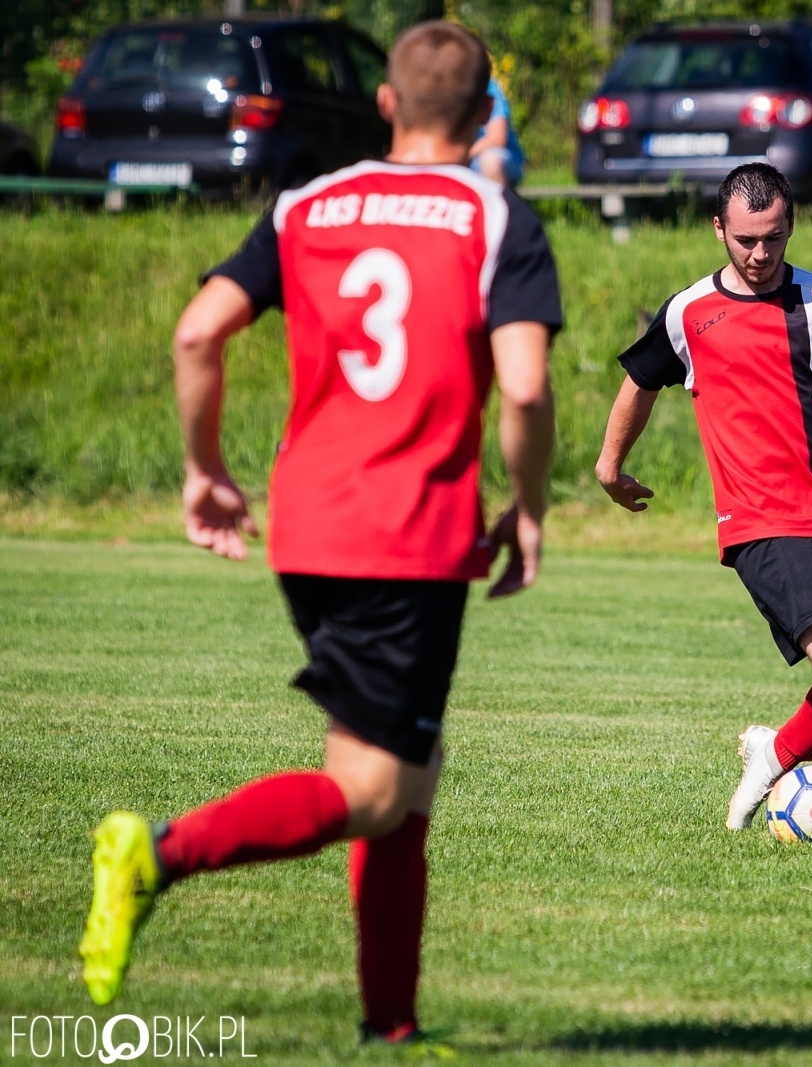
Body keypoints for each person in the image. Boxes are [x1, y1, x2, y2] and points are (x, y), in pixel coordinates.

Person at [76, 21, 563, 1047]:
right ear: (484, 120)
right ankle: (155, 853)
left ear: (386, 104)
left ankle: (390, 1021)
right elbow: (523, 386)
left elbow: (197, 329)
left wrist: (204, 466)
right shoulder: (493, 215)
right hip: (409, 531)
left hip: (309, 522)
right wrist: (529, 507)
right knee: (374, 788)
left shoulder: (308, 203)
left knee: (407, 775)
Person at [594, 162, 812, 842]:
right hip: (759, 518)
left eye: (775, 238)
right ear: (719, 229)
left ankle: (774, 753)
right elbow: (638, 383)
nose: (761, 254)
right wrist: (611, 466)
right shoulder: (690, 312)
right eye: (747, 240)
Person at [469, 74, 524, 187]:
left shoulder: (486, 86)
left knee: (491, 160)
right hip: (457, 160)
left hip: (494, 160)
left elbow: (497, 138)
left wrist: (460, 155)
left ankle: (496, 204)